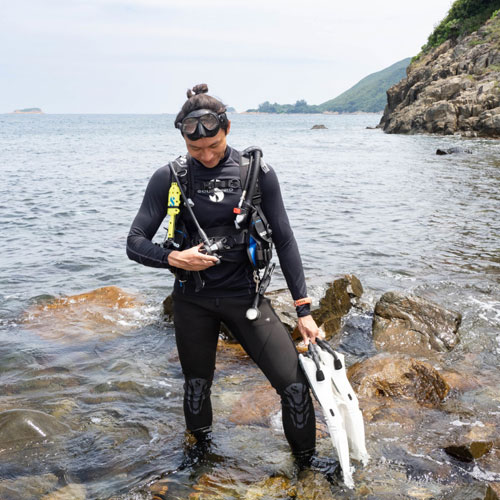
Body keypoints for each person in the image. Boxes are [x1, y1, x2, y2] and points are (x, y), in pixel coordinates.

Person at [127, 84, 330, 472]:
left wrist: (303, 310)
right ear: (184, 140)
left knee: (294, 387)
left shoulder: (256, 174)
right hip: (192, 301)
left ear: (227, 128)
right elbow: (134, 243)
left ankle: (306, 473)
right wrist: (175, 258)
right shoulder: (169, 177)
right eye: (195, 149)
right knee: (197, 386)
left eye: (214, 146)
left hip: (246, 298)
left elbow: (285, 239)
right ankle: (200, 465)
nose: (205, 155)